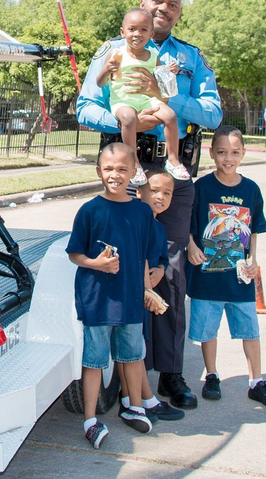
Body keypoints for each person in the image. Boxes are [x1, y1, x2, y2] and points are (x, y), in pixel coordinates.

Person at [77, 0, 223, 410]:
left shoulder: (190, 57)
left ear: (178, 14)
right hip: (127, 170)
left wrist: (169, 98)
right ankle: (120, 377)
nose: (164, 8)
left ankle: (171, 373)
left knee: (170, 271)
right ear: (142, 6)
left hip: (174, 174)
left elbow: (213, 111)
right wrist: (130, 120)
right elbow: (85, 105)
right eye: (157, 1)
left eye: (172, 4)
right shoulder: (112, 50)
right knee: (119, 268)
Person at [67, 142, 167, 448]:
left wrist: (148, 289)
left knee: (133, 355)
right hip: (97, 300)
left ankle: (134, 406)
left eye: (123, 169)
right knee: (95, 360)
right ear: (99, 172)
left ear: (134, 173)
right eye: (109, 169)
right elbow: (75, 254)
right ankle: (89, 419)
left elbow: (146, 256)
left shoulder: (141, 212)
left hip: (130, 300)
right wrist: (96, 263)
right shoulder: (89, 211)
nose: (115, 175)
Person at [186, 126, 266, 408]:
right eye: (222, 153)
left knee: (250, 330)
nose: (228, 158)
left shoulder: (250, 189)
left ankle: (256, 381)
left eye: (235, 153)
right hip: (207, 276)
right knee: (207, 330)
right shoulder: (202, 187)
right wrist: (191, 246)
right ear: (211, 153)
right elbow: (189, 225)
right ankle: (212, 374)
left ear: (243, 154)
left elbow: (253, 230)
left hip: (239, 278)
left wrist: (253, 259)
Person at [115, 169, 185, 422]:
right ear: (140, 191)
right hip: (134, 293)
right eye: (154, 190)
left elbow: (159, 259)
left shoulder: (158, 227)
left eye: (167, 193)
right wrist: (146, 288)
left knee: (135, 348)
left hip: (146, 291)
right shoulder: (136, 222)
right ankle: (141, 400)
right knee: (132, 347)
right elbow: (140, 257)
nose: (160, 196)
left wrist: (161, 270)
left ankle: (136, 399)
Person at [94, 8, 188, 185]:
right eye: (132, 29)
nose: (137, 34)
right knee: (128, 118)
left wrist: (168, 72)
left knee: (170, 115)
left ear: (151, 33)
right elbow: (100, 83)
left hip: (146, 100)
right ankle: (135, 164)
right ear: (123, 32)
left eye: (144, 30)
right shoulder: (116, 54)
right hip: (123, 101)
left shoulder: (153, 56)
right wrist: (106, 70)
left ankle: (173, 160)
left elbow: (160, 80)